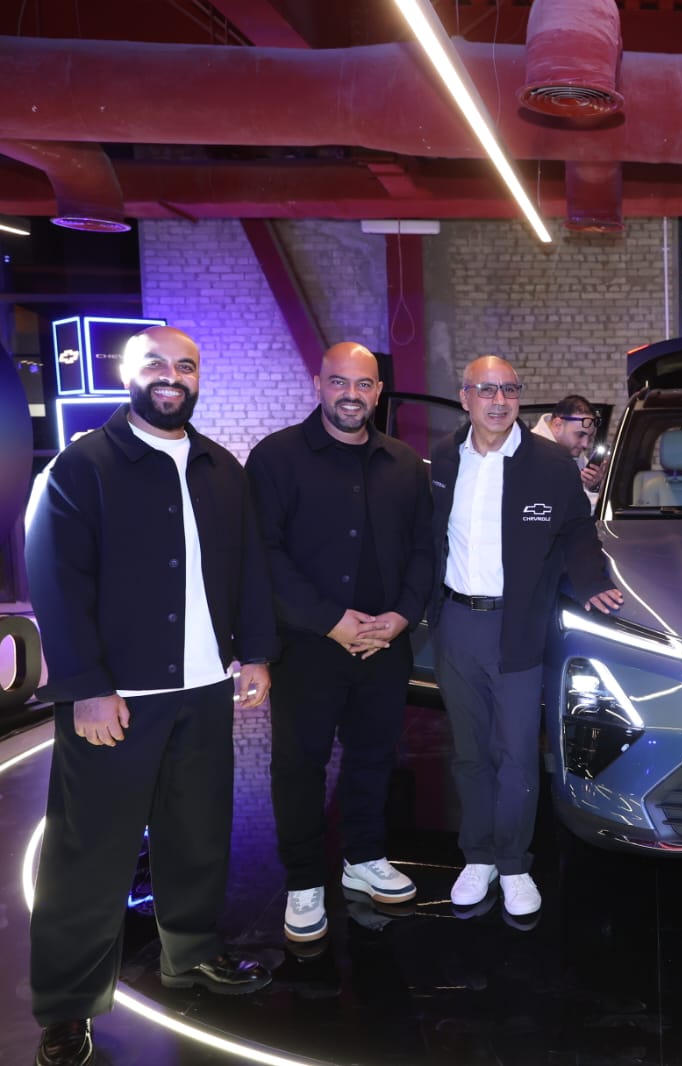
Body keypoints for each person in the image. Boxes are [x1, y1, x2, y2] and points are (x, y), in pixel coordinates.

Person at [24, 326, 276, 1066]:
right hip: (118, 698)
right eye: (156, 364)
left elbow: (249, 567)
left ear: (198, 379)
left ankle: (190, 953)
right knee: (89, 853)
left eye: (185, 366)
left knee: (196, 835)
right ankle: (67, 1006)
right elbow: (56, 582)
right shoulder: (82, 467)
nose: (171, 376)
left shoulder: (221, 468)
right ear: (127, 374)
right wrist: (88, 688)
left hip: (205, 687)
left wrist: (257, 653)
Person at [246, 342, 434, 946]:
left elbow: (424, 550)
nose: (351, 394)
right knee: (299, 765)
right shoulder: (275, 458)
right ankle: (304, 881)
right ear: (319, 384)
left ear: (378, 391)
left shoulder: (405, 464)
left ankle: (363, 856)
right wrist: (331, 621)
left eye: (363, 384)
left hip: (385, 643)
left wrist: (402, 616)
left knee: (374, 756)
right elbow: (263, 554)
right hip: (307, 645)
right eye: (338, 382)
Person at [430, 357, 623, 919]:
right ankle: (478, 856)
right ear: (465, 397)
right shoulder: (444, 457)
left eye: (509, 390)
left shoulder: (551, 462)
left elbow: (576, 529)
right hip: (455, 622)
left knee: (515, 752)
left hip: (517, 624)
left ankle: (514, 863)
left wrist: (592, 582)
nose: (499, 400)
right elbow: (425, 537)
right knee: (469, 752)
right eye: (487, 390)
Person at [532, 393, 604, 512]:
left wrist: (593, 486)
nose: (585, 444)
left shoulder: (571, 450)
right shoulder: (530, 452)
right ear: (558, 425)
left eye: (590, 437)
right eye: (580, 435)